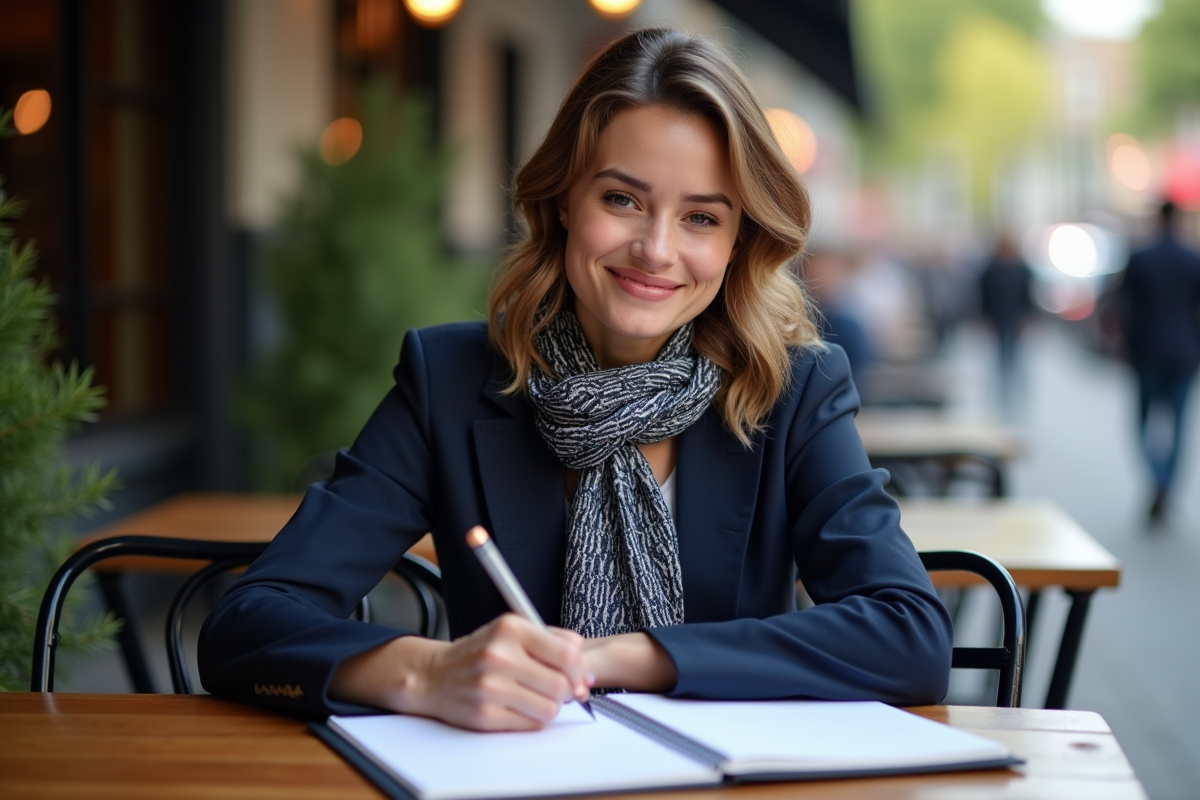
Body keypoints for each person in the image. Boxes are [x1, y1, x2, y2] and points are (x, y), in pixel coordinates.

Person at [198, 28, 952, 730]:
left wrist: (626, 657)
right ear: (564, 202)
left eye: (700, 218)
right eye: (622, 199)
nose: (655, 249)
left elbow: (909, 636)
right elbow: (247, 624)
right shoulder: (451, 381)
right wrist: (423, 673)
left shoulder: (793, 390)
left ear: (739, 240)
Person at [1119, 200, 1200, 522]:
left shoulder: (1140, 257)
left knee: (1142, 424)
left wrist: (1126, 344)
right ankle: (1167, 482)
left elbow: (1124, 306)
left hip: (1147, 351)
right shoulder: (1193, 258)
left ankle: (1158, 477)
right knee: (1180, 425)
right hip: (1184, 352)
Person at [978, 236, 1034, 410]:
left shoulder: (1021, 270)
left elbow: (1028, 296)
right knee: (1001, 359)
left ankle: (1018, 396)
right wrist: (985, 318)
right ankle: (1002, 396)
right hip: (998, 320)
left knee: (1017, 359)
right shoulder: (990, 271)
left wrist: (1027, 317)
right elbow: (984, 298)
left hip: (1015, 320)